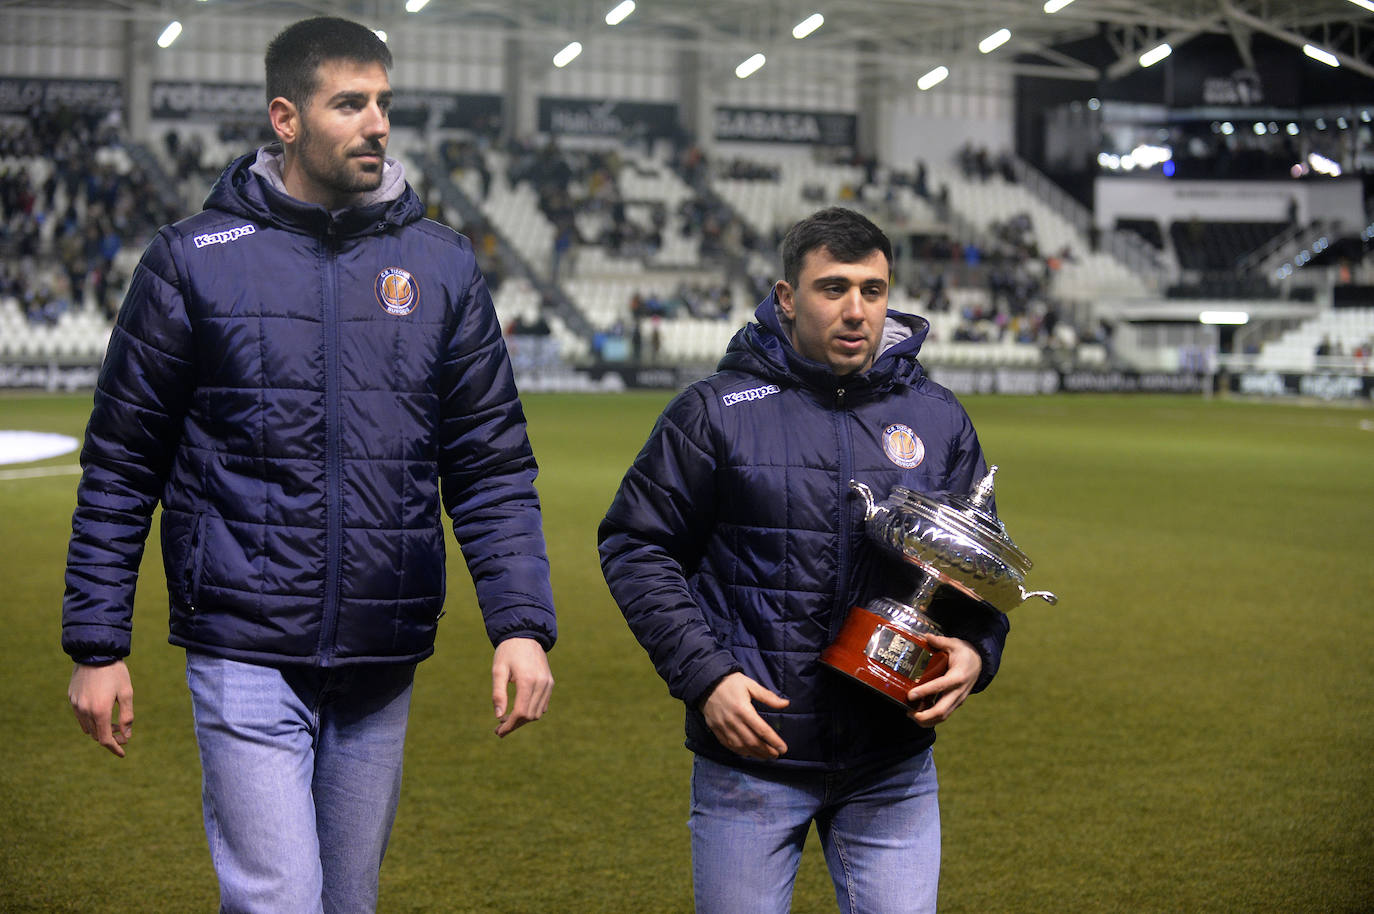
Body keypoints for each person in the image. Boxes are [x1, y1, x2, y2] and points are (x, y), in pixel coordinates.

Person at [62, 17, 557, 913]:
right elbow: (123, 463)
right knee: (278, 898)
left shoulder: (440, 266)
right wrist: (98, 645)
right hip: (242, 643)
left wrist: (520, 623)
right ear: (286, 118)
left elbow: (489, 466)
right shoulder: (189, 262)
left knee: (347, 900)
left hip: (381, 649)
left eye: (384, 104)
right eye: (350, 104)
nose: (377, 124)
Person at [598, 207, 1009, 914]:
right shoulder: (716, 412)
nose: (856, 311)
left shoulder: (938, 417)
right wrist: (705, 677)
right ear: (787, 298)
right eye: (833, 288)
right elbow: (637, 544)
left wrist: (975, 650)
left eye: (873, 291)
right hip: (754, 753)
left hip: (892, 761)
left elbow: (972, 564)